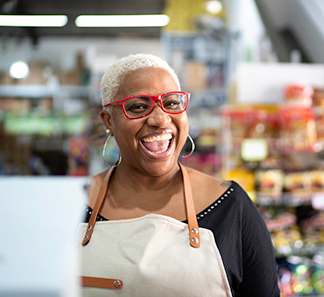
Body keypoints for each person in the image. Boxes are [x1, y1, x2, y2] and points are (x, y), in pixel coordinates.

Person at [79, 53, 280, 297]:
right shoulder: (73, 205)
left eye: (172, 103)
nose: (160, 119)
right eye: (139, 107)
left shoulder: (231, 206)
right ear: (108, 121)